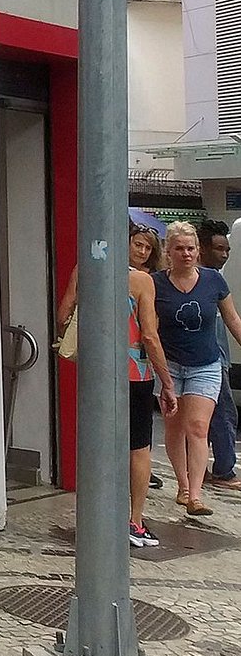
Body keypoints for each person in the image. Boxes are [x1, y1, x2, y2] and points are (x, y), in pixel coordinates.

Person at [57, 222, 175, 543]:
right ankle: (134, 521)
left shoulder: (85, 269)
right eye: (138, 244)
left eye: (147, 247)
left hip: (96, 372)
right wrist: (166, 382)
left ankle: (98, 516)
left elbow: (63, 314)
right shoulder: (141, 281)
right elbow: (149, 336)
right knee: (139, 448)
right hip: (135, 374)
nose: (142, 251)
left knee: (99, 444)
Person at [155, 221, 241, 517]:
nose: (186, 254)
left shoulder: (213, 281)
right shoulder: (156, 283)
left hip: (206, 364)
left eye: (191, 248)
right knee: (174, 428)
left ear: (198, 251)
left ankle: (195, 495)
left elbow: (232, 319)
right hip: (168, 366)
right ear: (168, 252)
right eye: (179, 248)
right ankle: (182, 485)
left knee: (198, 427)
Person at [198, 219, 238, 491]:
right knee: (223, 415)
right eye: (219, 249)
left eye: (227, 250)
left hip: (217, 358)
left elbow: (232, 320)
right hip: (209, 360)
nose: (224, 255)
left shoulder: (214, 279)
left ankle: (201, 470)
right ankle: (224, 471)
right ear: (203, 248)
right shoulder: (207, 279)